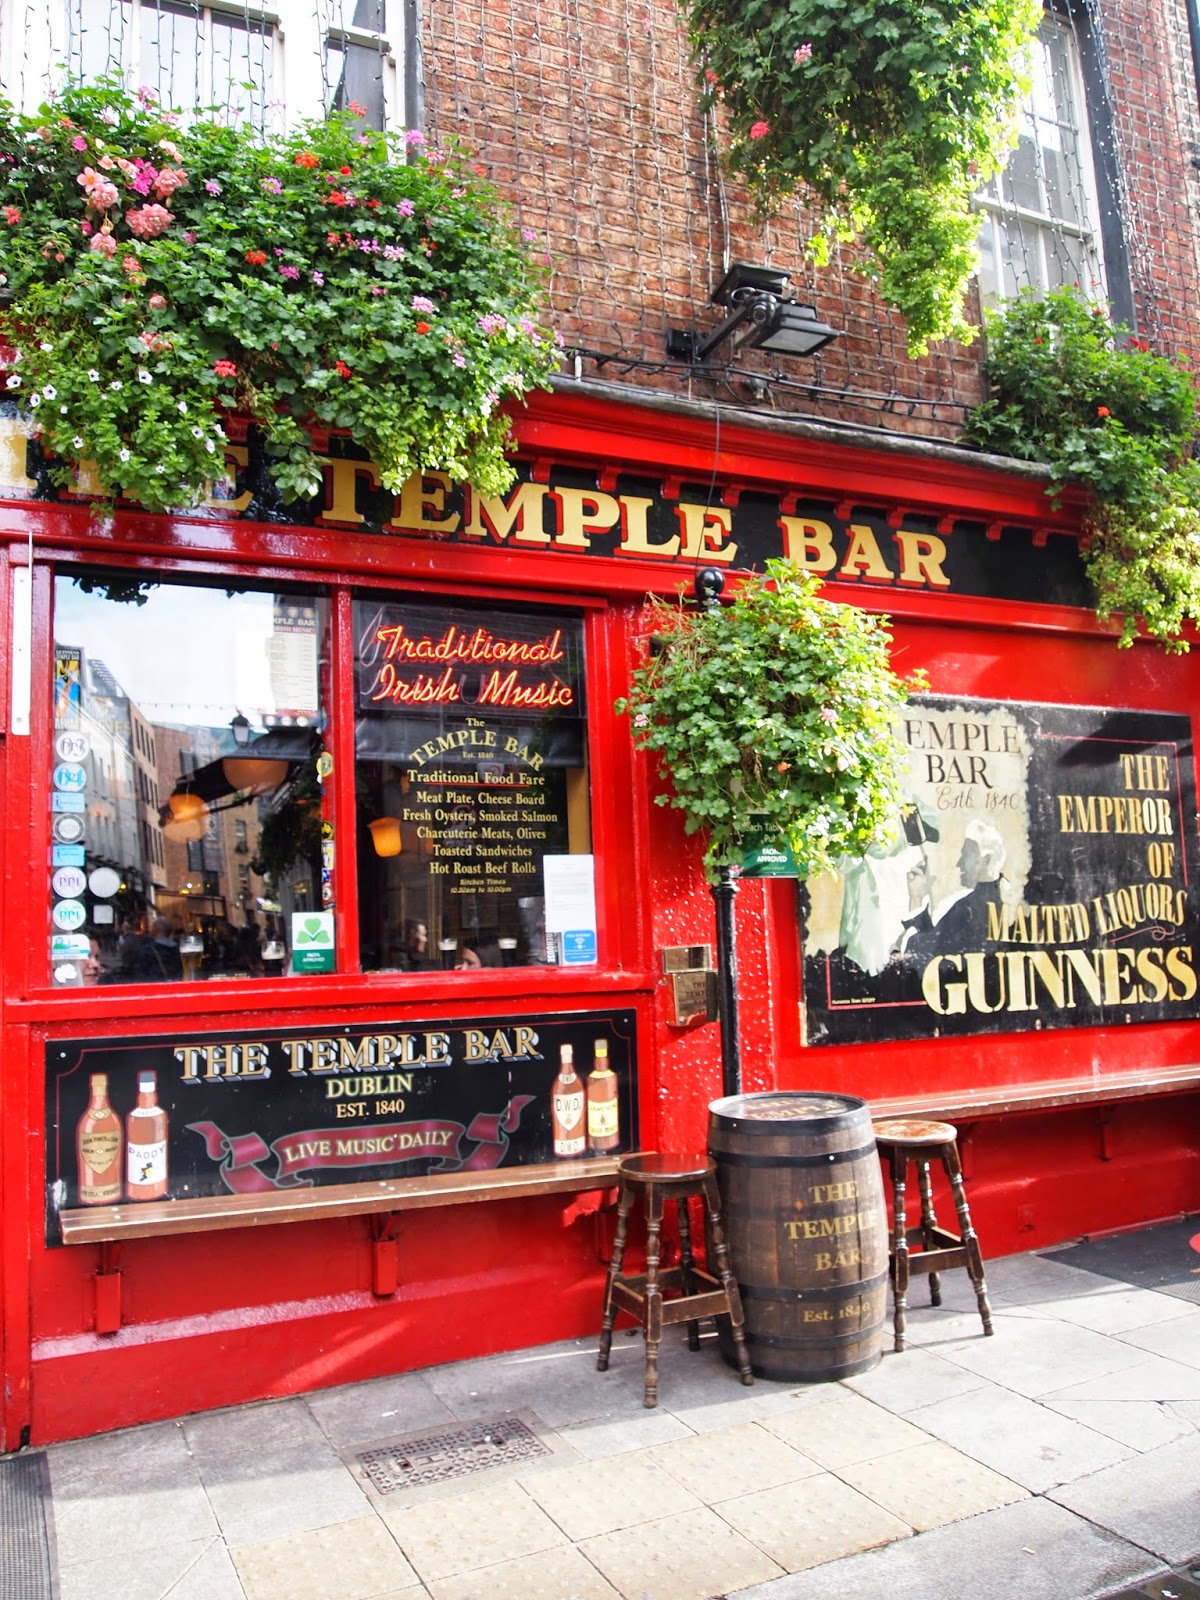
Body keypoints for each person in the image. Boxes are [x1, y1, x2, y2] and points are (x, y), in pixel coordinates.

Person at [135, 917, 184, 981]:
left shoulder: (148, 950)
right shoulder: (180, 949)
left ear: (155, 930)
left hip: (155, 987)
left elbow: (141, 975)